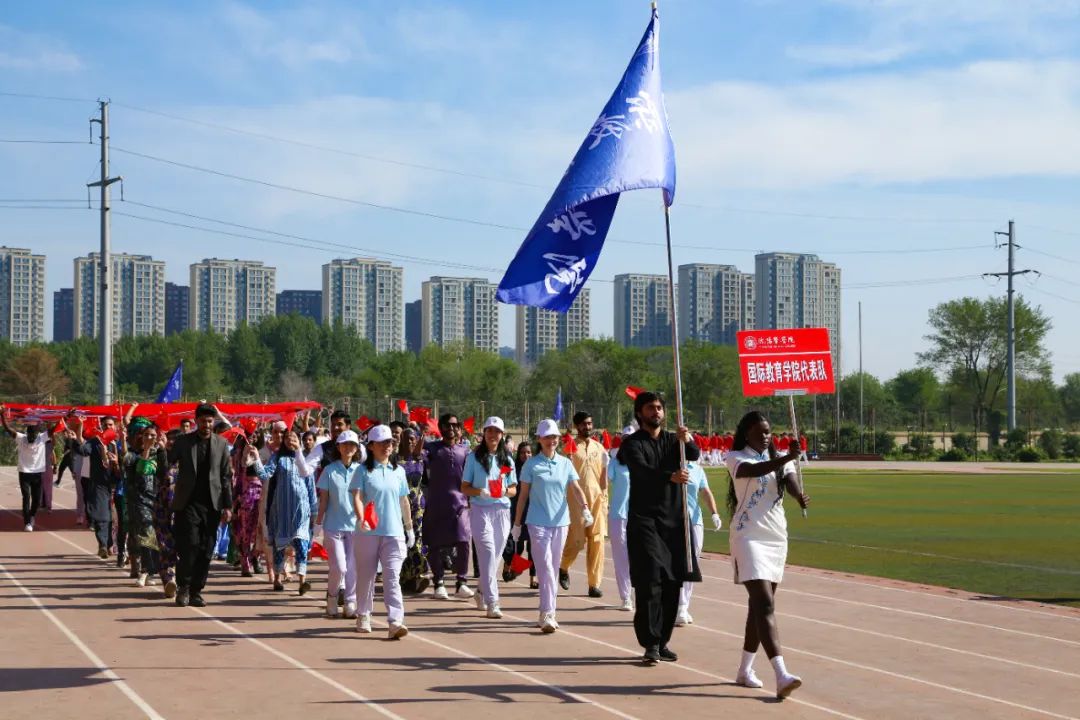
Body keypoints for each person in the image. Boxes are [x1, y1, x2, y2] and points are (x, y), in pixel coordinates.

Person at [724, 410, 809, 699]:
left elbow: (790, 481)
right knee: (765, 605)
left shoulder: (781, 458)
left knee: (759, 608)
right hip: (748, 537)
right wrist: (786, 458)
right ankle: (781, 674)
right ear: (746, 432)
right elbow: (753, 471)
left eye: (768, 431)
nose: (765, 436)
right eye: (760, 431)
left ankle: (744, 670)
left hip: (775, 537)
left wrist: (799, 496)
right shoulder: (735, 457)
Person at [617, 391, 700, 666]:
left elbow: (694, 454)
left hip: (674, 520)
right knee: (650, 578)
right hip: (645, 520)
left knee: (672, 581)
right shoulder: (632, 444)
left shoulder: (673, 440)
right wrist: (670, 476)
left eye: (659, 408)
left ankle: (663, 641)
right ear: (639, 413)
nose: (656, 412)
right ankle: (650, 642)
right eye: (650, 408)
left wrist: (687, 438)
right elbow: (641, 471)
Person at [512, 419, 592, 633]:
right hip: (537, 522)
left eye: (554, 437)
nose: (551, 441)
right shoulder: (531, 465)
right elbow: (522, 496)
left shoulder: (565, 463)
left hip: (561, 523)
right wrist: (517, 524)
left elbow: (575, 488)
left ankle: (548, 613)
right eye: (547, 437)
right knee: (546, 567)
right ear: (539, 439)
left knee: (553, 568)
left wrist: (585, 508)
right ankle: (547, 613)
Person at [350, 424, 414, 638]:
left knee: (392, 576)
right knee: (366, 576)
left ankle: (395, 621)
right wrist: (361, 519)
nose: (388, 446)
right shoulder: (362, 471)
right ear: (371, 446)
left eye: (390, 442)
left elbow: (404, 501)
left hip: (393, 532)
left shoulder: (399, 471)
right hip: (368, 532)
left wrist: (409, 528)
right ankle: (363, 614)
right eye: (382, 443)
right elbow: (357, 497)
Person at [167, 403, 234, 607]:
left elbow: (225, 476)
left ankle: (196, 591)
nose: (206, 425)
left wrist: (228, 506)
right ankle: (183, 588)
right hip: (188, 503)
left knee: (206, 549)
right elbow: (168, 461)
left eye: (210, 421)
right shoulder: (183, 442)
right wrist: (159, 449)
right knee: (190, 545)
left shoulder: (221, 444)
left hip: (212, 504)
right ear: (196, 421)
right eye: (203, 421)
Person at [461, 416, 517, 619]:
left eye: (497, 431)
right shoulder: (473, 458)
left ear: (502, 435)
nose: (493, 435)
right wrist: (480, 492)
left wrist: (504, 491)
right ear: (484, 433)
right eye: (489, 431)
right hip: (480, 510)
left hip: (502, 511)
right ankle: (493, 602)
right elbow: (464, 487)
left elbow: (513, 489)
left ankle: (480, 591)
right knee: (487, 553)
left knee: (494, 558)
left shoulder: (507, 460)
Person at [249, 430, 316, 595]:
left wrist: (314, 510)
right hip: (281, 509)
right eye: (286, 437)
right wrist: (256, 457)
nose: (289, 440)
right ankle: (277, 578)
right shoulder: (277, 457)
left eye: (293, 437)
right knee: (279, 545)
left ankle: (302, 581)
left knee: (301, 543)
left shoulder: (305, 458)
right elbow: (265, 474)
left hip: (301, 510)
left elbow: (310, 485)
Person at [423, 412, 475, 600]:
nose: (451, 428)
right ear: (441, 428)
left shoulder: (466, 451)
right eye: (447, 425)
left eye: (454, 425)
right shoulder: (431, 448)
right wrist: (421, 434)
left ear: (459, 428)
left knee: (463, 540)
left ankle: (461, 582)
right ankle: (439, 583)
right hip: (436, 503)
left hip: (460, 504)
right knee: (434, 543)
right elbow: (417, 456)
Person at [559, 411, 608, 597]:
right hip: (576, 501)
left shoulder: (599, 448)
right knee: (577, 541)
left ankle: (594, 584)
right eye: (584, 424)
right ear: (577, 426)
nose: (587, 427)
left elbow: (603, 478)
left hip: (598, 500)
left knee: (597, 541)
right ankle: (563, 566)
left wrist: (605, 499)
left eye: (589, 423)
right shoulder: (569, 448)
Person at [315, 430, 361, 619]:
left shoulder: (361, 470)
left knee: (352, 568)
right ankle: (332, 597)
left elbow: (365, 499)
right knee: (339, 567)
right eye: (345, 444)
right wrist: (318, 524)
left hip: (355, 527)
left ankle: (350, 601)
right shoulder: (329, 470)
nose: (348, 447)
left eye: (352, 444)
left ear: (357, 448)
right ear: (339, 447)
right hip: (333, 526)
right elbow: (324, 500)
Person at [675, 457, 722, 627]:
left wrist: (714, 513)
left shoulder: (697, 469)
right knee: (678, 563)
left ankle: (684, 605)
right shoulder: (670, 466)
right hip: (674, 521)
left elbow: (705, 492)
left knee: (692, 563)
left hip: (695, 521)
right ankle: (677, 605)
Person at [124, 420, 168, 588]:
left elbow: (165, 472)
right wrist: (147, 450)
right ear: (141, 437)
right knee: (146, 532)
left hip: (157, 499)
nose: (150, 438)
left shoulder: (160, 453)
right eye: (147, 435)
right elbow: (141, 470)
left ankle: (150, 571)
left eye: (153, 435)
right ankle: (144, 570)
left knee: (155, 536)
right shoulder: (133, 454)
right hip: (139, 500)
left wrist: (163, 449)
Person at [74, 416, 123, 558]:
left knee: (115, 519)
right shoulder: (95, 441)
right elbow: (82, 450)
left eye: (111, 424)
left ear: (115, 426)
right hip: (99, 484)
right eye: (105, 425)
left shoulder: (119, 443)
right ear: (101, 426)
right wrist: (80, 426)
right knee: (102, 516)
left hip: (118, 485)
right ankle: (103, 544)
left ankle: (112, 545)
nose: (108, 427)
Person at [0, 409, 52, 531]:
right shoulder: (21, 438)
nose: (31, 437)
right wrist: (2, 415)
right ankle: (27, 522)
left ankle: (32, 515)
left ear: (37, 434)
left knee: (37, 500)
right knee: (26, 497)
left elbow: (54, 429)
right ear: (27, 433)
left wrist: (66, 417)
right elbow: (8, 429)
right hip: (24, 473)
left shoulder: (42, 438)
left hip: (37, 473)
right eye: (29, 434)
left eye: (33, 435)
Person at [607, 426, 636, 611]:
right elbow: (605, 482)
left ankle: (640, 593)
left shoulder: (643, 461)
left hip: (639, 516)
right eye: (626, 439)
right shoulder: (615, 463)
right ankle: (626, 597)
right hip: (619, 516)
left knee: (639, 558)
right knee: (621, 558)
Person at [397, 426, 430, 595]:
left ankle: (419, 574)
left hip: (418, 507)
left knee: (418, 540)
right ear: (400, 440)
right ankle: (404, 577)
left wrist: (423, 434)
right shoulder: (394, 460)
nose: (410, 441)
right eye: (406, 438)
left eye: (413, 439)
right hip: (400, 506)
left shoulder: (422, 458)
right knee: (403, 542)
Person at [503, 441, 537, 588]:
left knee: (533, 547)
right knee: (515, 545)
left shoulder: (536, 468)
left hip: (532, 511)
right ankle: (508, 566)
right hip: (514, 511)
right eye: (523, 452)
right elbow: (500, 477)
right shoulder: (511, 467)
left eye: (528, 452)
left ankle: (533, 578)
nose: (526, 455)